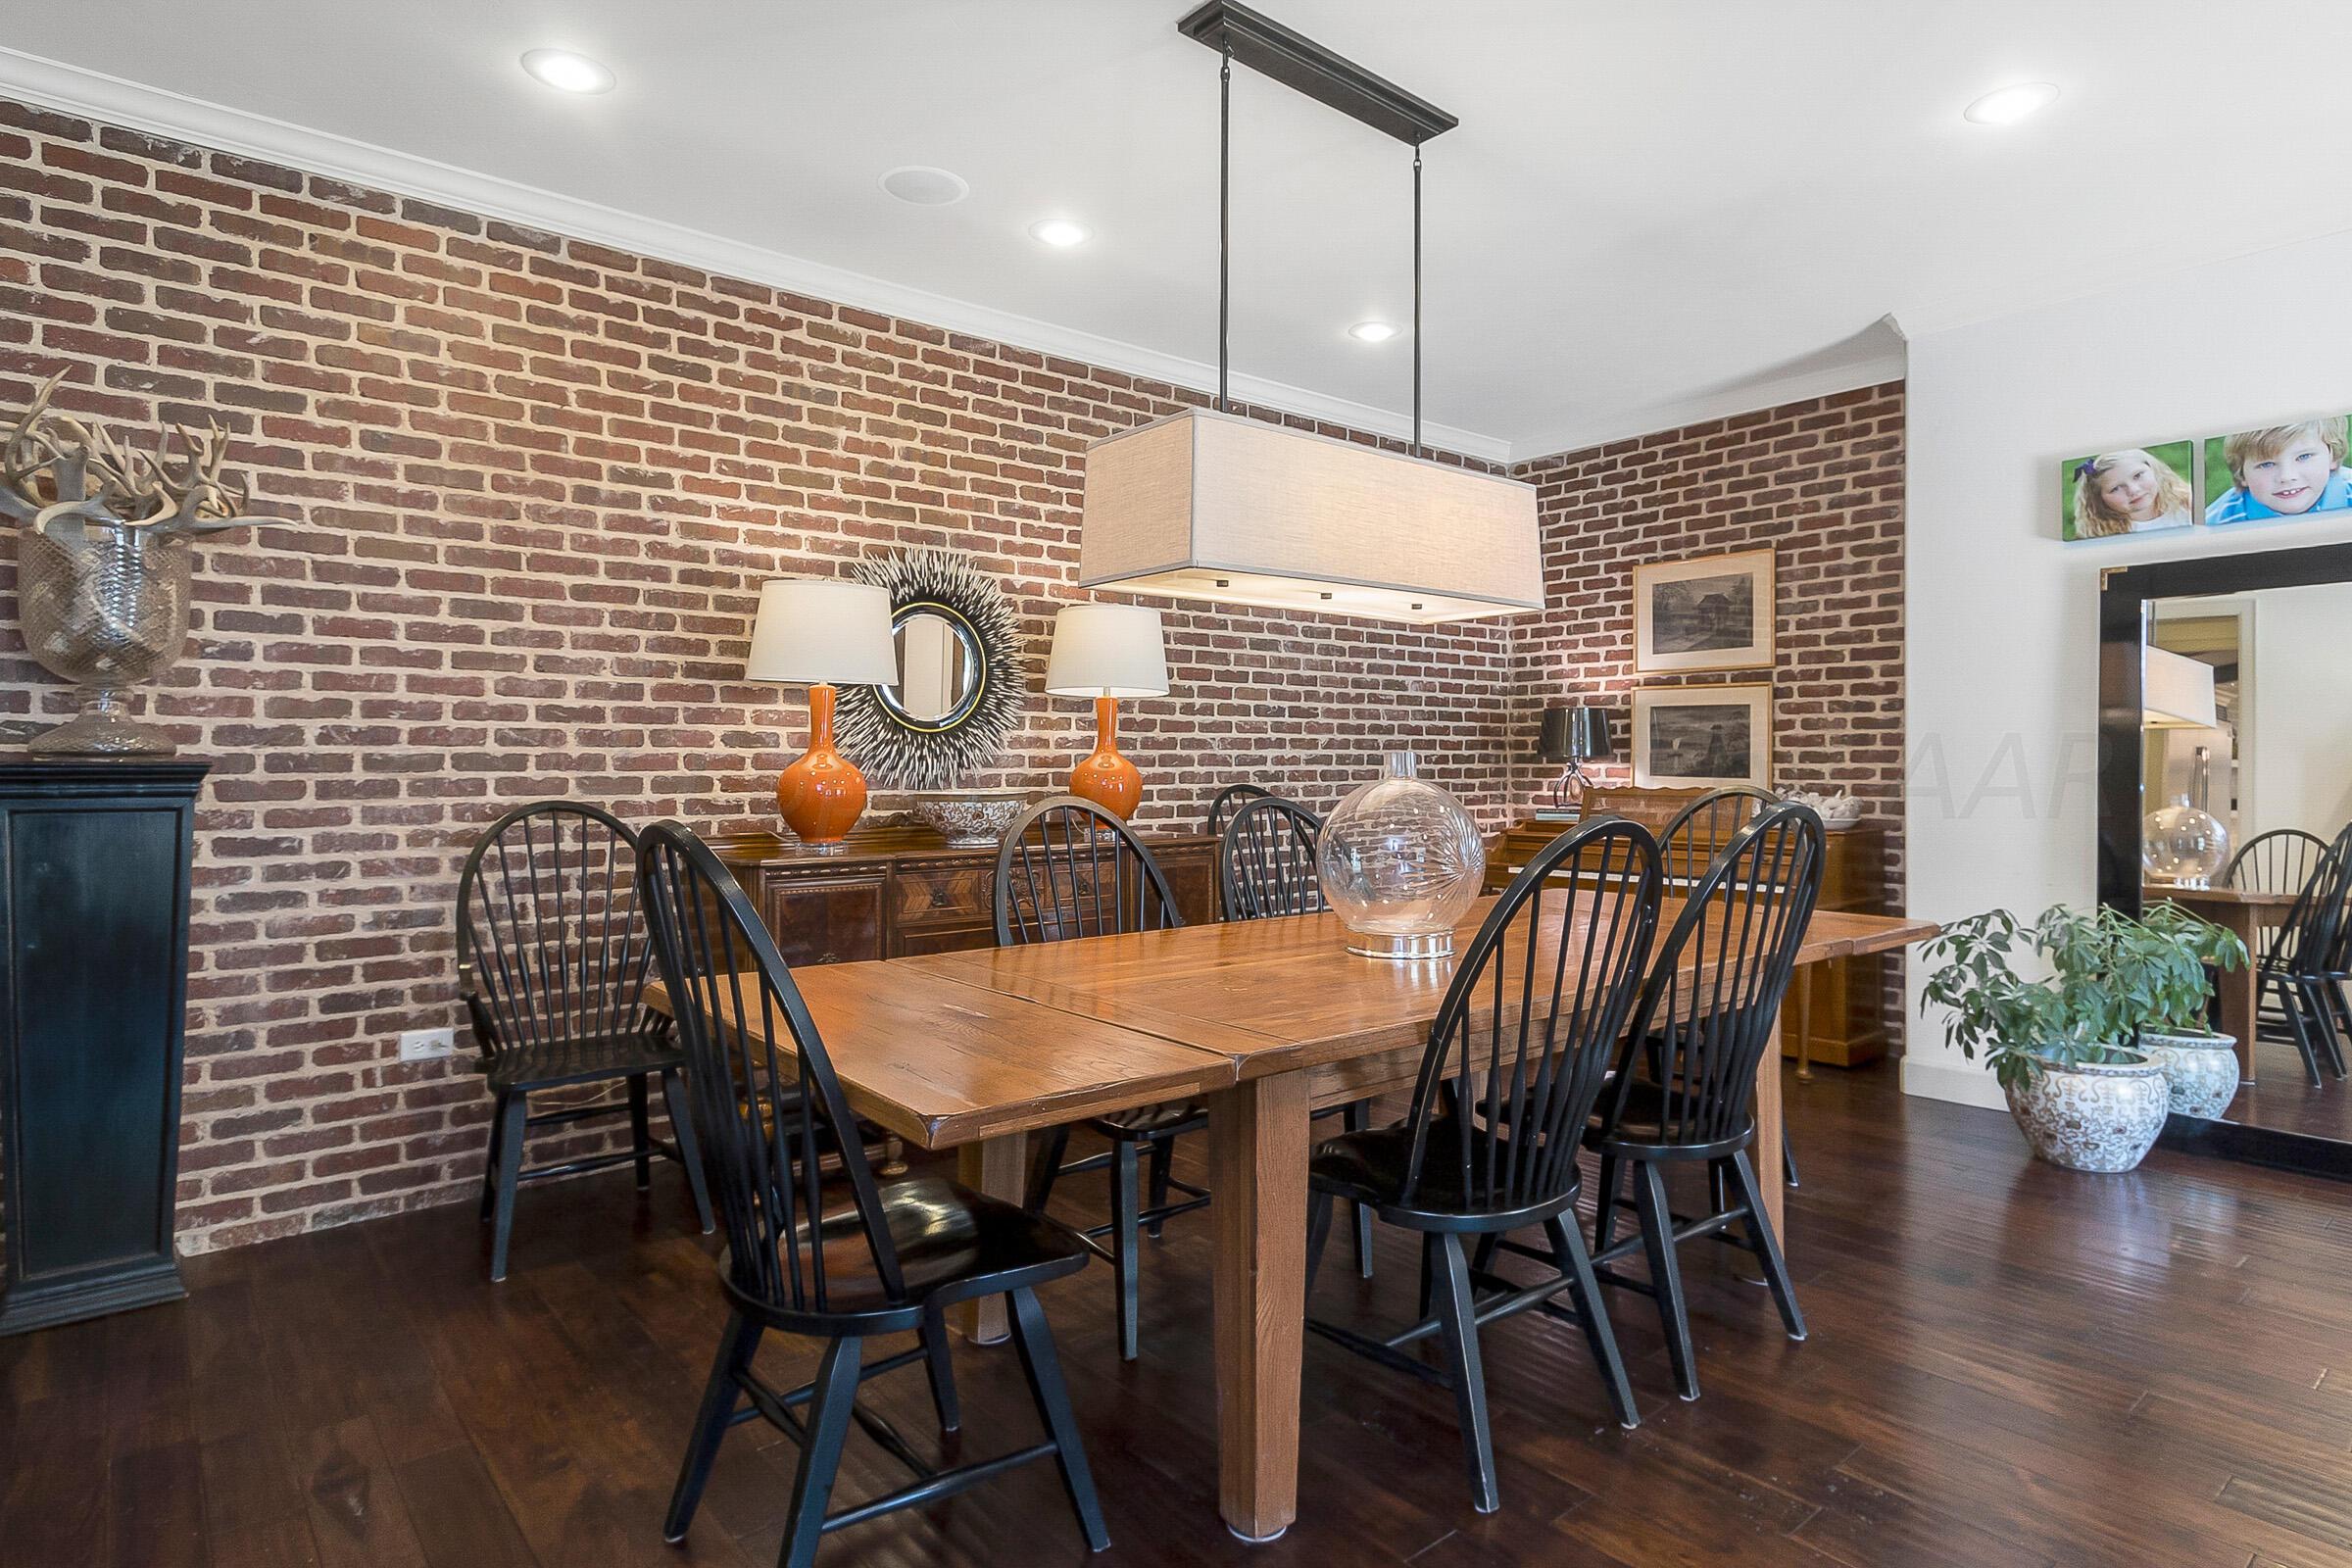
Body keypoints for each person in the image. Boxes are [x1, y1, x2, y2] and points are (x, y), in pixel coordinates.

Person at [2206, 419, 2352, 525]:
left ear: (2332, 456)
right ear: (2242, 474)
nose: (2287, 477)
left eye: (2304, 456)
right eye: (2266, 464)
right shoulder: (2217, 522)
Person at [2070, 448, 2194, 537]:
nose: (2133, 490)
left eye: (2138, 476)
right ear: (2098, 499)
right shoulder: (2105, 534)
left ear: (2153, 469)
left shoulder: (2187, 504)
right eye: (2116, 488)